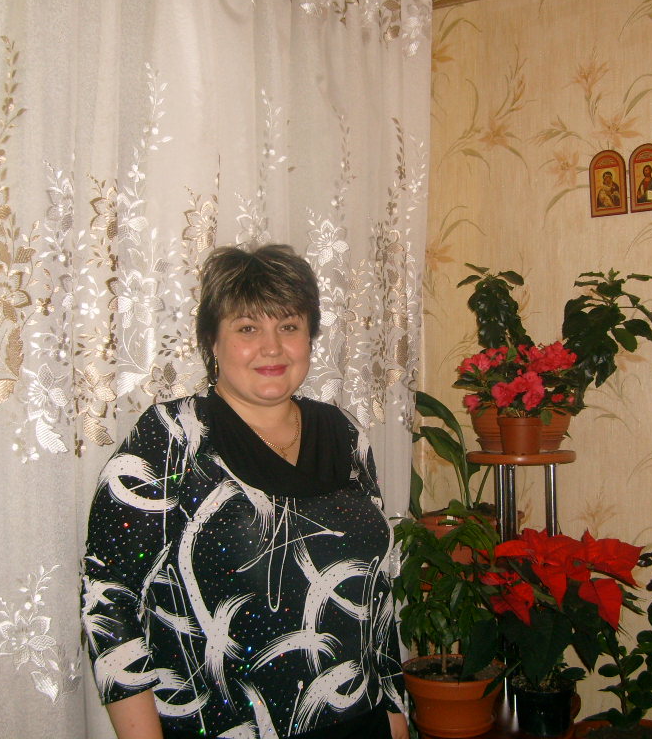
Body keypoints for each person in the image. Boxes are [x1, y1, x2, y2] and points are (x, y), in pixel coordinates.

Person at [81, 244, 408, 739]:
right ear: (213, 341)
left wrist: (394, 711)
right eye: (248, 328)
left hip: (361, 720)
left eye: (289, 326)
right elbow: (110, 603)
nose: (272, 347)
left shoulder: (343, 432)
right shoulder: (172, 438)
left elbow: (376, 593)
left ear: (310, 337)